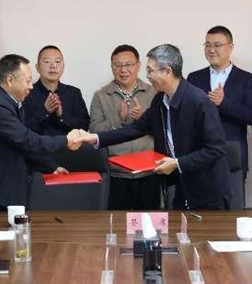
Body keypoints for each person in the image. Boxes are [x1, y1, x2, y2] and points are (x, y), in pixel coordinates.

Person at [81, 44, 231, 210]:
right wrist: (95, 138)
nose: (147, 76)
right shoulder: (160, 100)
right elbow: (136, 129)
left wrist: (177, 163)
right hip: (182, 185)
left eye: (150, 70)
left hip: (208, 189)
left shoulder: (198, 101)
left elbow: (216, 149)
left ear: (167, 71)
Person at [0, 54, 85, 214]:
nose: (31, 86)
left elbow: (19, 145)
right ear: (10, 80)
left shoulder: (9, 101)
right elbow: (26, 139)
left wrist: (51, 166)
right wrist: (66, 141)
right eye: (27, 81)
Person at [89, 45, 160, 210]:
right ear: (112, 67)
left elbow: (165, 130)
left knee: (149, 221)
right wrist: (117, 119)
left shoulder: (154, 93)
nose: (123, 70)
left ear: (138, 66)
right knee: (117, 222)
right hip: (116, 173)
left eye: (128, 64)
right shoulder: (101, 95)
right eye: (118, 65)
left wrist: (145, 120)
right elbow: (94, 131)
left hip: (148, 171)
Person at [187, 25, 252, 178]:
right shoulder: (194, 78)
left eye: (217, 45)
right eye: (207, 45)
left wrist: (224, 103)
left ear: (230, 47)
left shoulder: (247, 79)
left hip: (232, 156)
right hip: (199, 154)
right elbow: (186, 114)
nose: (211, 50)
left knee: (233, 195)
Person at [23, 45, 90, 136]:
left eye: (57, 61)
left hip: (69, 145)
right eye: (47, 61)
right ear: (37, 67)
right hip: (38, 145)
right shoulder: (26, 93)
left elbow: (85, 126)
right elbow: (22, 129)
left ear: (63, 67)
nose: (53, 66)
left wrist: (62, 115)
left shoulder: (74, 93)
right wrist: (45, 111)